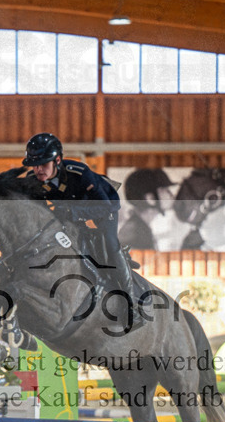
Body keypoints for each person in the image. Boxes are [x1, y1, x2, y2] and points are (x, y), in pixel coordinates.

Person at [21, 132, 144, 316]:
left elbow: (103, 207)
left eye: (44, 164)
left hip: (103, 206)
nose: (38, 170)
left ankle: (131, 300)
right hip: (69, 210)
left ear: (57, 160)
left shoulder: (79, 172)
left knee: (110, 244)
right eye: (35, 165)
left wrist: (73, 213)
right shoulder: (32, 180)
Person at [119, 167, 177, 251]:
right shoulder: (135, 234)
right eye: (165, 190)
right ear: (150, 198)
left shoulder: (139, 228)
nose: (171, 195)